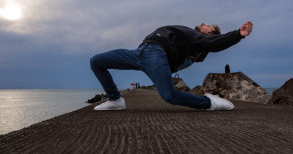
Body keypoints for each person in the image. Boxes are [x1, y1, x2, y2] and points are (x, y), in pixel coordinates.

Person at [90, 21, 253, 111]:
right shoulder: (190, 40)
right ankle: (115, 99)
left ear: (208, 34)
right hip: (139, 52)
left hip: (155, 54)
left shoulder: (195, 37)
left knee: (170, 96)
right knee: (96, 61)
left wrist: (237, 34)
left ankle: (209, 102)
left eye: (207, 26)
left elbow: (215, 43)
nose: (203, 23)